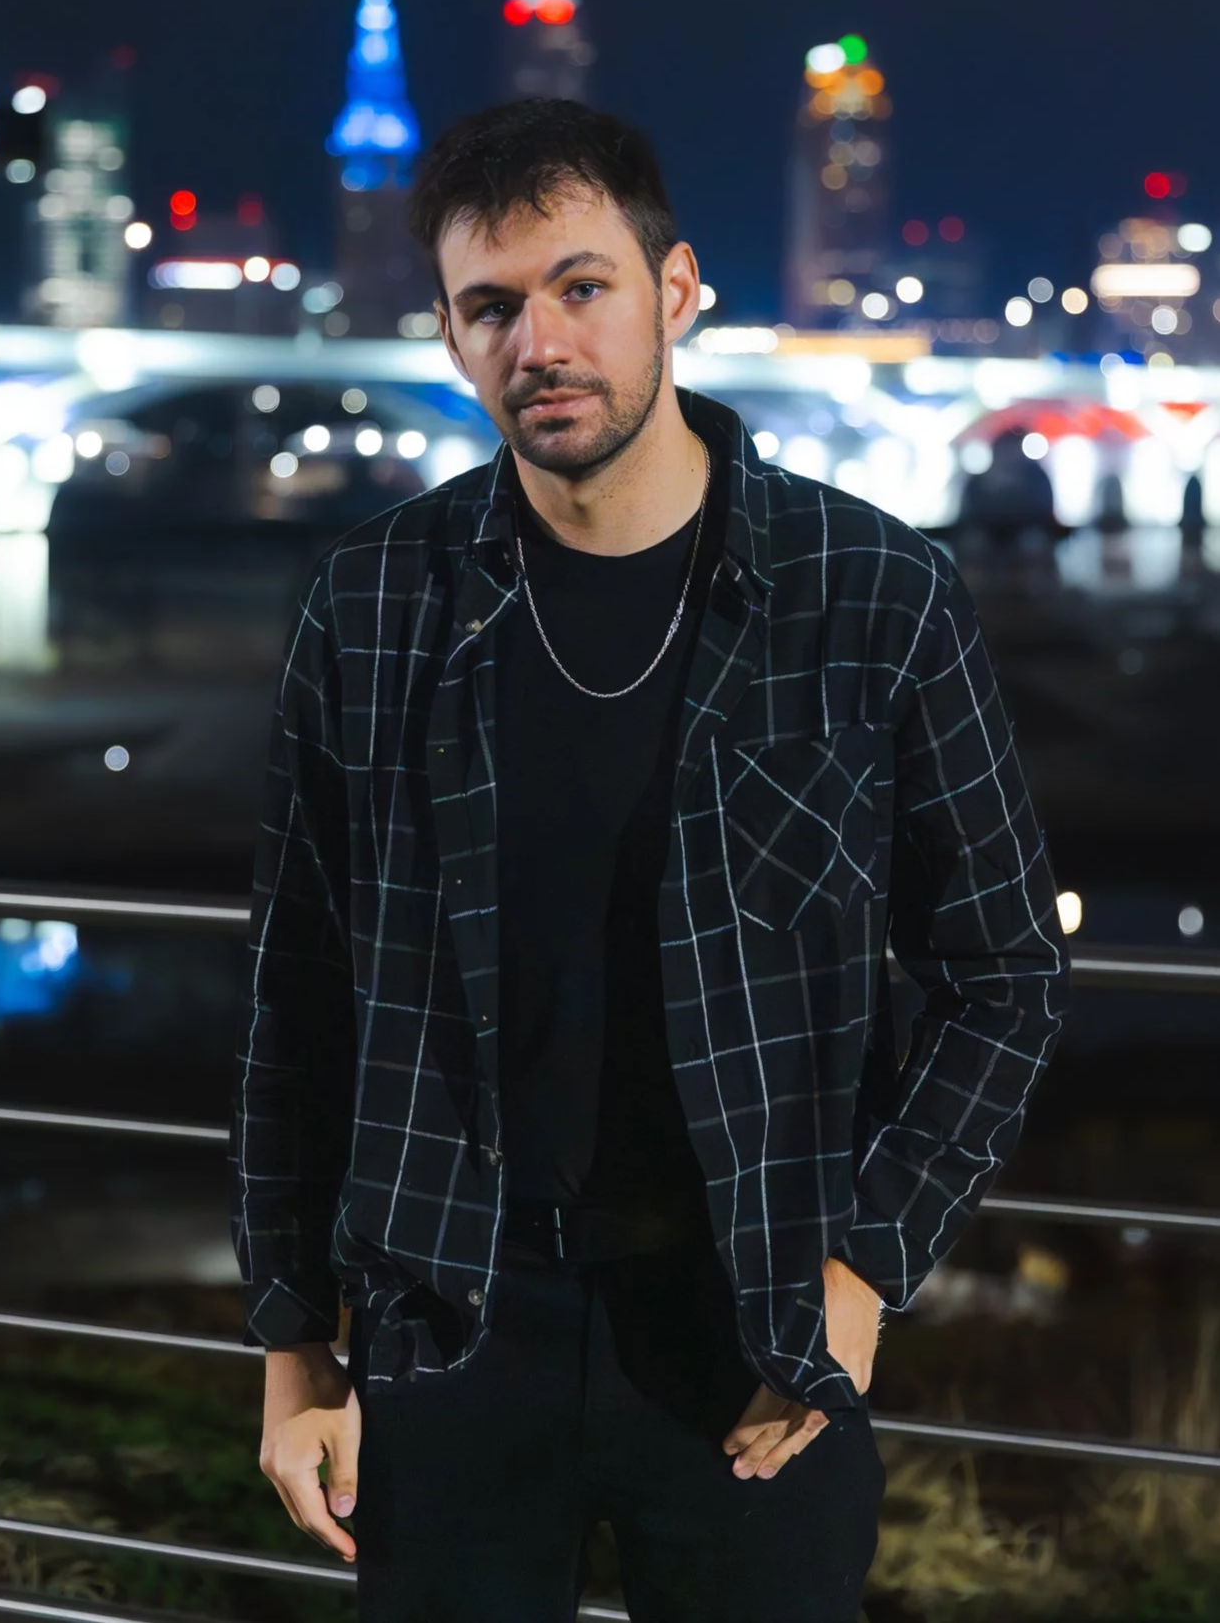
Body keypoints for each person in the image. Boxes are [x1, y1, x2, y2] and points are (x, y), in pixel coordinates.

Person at [230, 98, 1070, 1622]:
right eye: (491, 305)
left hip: (751, 1329)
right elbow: (294, 993)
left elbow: (1004, 969)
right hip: (447, 1329)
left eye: (581, 285)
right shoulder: (371, 604)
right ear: (446, 332)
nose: (538, 340)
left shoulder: (870, 592)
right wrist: (296, 1343)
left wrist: (861, 1272)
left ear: (676, 290)